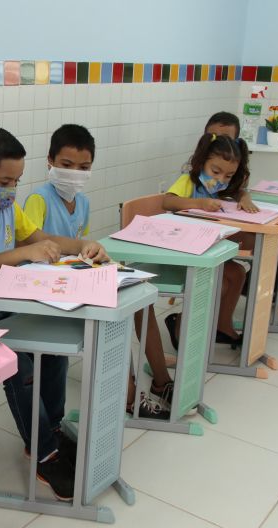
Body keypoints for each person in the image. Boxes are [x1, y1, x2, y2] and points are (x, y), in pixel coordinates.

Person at [0, 126, 109, 502]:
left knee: (55, 346)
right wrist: (22, 255)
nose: (12, 190)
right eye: (4, 181)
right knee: (19, 365)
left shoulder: (6, 206)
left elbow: (42, 238)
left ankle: (54, 429)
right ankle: (43, 450)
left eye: (16, 181)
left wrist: (84, 246)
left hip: (3, 305)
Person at [25, 124, 172, 419]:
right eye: (67, 165)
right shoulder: (38, 199)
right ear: (50, 161)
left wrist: (94, 254)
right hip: (48, 287)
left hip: (76, 278)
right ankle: (129, 396)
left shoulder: (83, 202)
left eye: (84, 167)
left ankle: (162, 381)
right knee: (113, 315)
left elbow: (83, 248)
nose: (75, 173)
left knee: (140, 301)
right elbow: (29, 241)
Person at [162, 133, 251, 348]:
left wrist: (245, 197)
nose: (220, 180)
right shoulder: (188, 182)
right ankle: (182, 322)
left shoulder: (219, 187)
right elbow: (167, 201)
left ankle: (222, 324)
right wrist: (198, 203)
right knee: (217, 280)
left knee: (238, 273)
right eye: (216, 171)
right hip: (183, 251)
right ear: (201, 163)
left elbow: (239, 191)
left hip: (205, 250)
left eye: (228, 176)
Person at [199, 112, 278, 299]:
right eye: (213, 138)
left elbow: (233, 190)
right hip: (208, 233)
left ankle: (258, 292)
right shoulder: (200, 167)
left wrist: (244, 196)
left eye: (225, 139)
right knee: (271, 245)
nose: (218, 143)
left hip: (226, 225)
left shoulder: (232, 166)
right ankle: (256, 293)